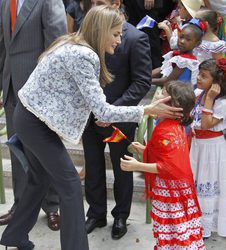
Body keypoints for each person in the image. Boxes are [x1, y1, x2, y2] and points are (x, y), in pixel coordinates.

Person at [0, 6, 183, 250]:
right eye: (116, 34)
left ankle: (14, 236)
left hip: (30, 117)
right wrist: (147, 110)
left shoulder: (73, 43)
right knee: (71, 186)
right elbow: (103, 111)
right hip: (34, 123)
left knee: (39, 179)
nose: (119, 40)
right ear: (101, 30)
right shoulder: (84, 55)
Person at [83, 0, 151, 240]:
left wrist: (112, 109)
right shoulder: (88, 34)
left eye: (100, 2)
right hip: (90, 116)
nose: (95, 6)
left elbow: (142, 82)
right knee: (92, 166)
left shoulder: (135, 37)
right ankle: (96, 213)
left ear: (116, 3)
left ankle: (121, 215)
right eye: (93, 2)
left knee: (123, 169)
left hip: (119, 118)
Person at [0, 0, 67, 231]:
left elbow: (56, 46)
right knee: (16, 149)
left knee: (44, 151)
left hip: (38, 89)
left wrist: (52, 92)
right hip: (11, 88)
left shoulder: (48, 1)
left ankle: (52, 206)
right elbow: (3, 46)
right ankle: (20, 205)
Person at [120, 81, 205, 250]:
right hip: (179, 191)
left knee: (173, 233)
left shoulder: (164, 130)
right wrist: (145, 150)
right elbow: (170, 158)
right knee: (180, 232)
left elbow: (168, 167)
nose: (157, 95)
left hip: (170, 193)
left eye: (162, 93)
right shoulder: (176, 127)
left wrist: (137, 166)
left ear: (173, 106)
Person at [190, 58, 226, 238]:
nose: (199, 79)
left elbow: (206, 125)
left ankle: (205, 227)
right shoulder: (199, 93)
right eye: (199, 75)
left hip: (212, 150)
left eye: (204, 76)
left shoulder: (223, 103)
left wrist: (209, 99)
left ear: (216, 82)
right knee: (195, 182)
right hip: (197, 147)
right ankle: (194, 221)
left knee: (206, 184)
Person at [152, 19, 203, 87]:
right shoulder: (178, 55)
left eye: (188, 39)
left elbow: (166, 80)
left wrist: (143, 80)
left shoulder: (185, 61)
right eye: (181, 37)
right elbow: (162, 69)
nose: (182, 41)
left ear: (197, 43)